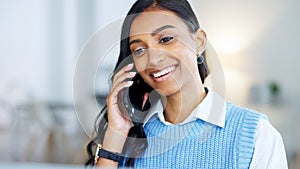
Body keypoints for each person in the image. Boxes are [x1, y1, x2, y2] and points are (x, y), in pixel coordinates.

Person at [85, 0, 288, 168]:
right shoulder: (130, 136)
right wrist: (115, 133)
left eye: (165, 39)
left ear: (199, 41)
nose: (153, 59)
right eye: (139, 50)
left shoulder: (254, 133)